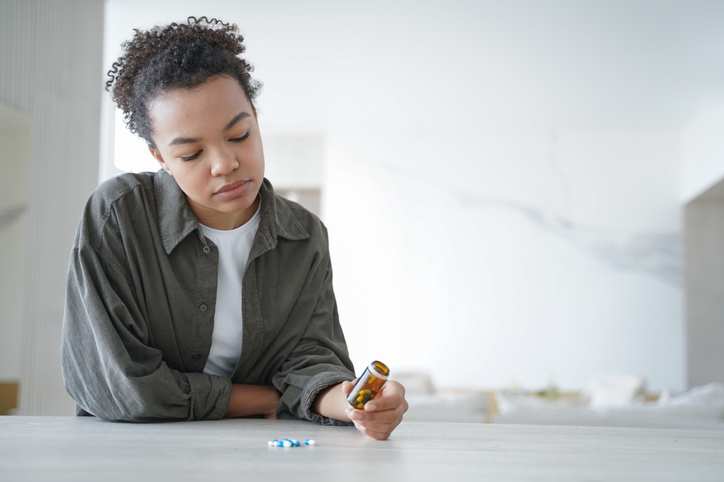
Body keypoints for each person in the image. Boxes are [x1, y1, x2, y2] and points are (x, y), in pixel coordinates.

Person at [61, 16, 407, 440]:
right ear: (160, 158)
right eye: (190, 154)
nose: (225, 164)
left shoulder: (305, 236)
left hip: (259, 454)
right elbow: (122, 386)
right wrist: (266, 399)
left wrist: (351, 401)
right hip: (131, 453)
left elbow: (310, 359)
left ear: (257, 120)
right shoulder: (118, 216)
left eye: (240, 134)